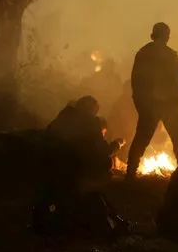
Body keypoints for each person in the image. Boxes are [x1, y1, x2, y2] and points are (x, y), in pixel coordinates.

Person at [33, 96, 129, 237]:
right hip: (73, 171)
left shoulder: (61, 118)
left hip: (49, 166)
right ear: (91, 109)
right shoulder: (89, 122)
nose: (96, 114)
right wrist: (117, 144)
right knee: (105, 164)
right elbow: (103, 150)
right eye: (95, 110)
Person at [126, 23, 178, 181]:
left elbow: (136, 83)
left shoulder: (143, 53)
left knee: (142, 139)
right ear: (166, 35)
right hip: (166, 105)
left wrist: (141, 104)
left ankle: (130, 173)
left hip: (151, 105)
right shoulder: (171, 55)